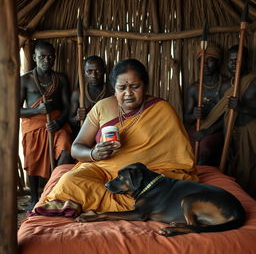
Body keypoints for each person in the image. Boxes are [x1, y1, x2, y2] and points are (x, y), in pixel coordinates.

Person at [31, 59, 198, 218]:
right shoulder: (102, 107)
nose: (128, 93)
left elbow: (179, 162)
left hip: (144, 179)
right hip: (103, 172)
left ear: (145, 86)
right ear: (114, 88)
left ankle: (94, 203)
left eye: (135, 86)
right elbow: (76, 148)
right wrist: (93, 154)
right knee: (69, 180)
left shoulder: (162, 110)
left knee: (156, 191)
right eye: (122, 88)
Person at [20, 41, 72, 210]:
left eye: (50, 57)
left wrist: (59, 121)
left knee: (66, 147)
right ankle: (35, 198)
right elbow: (15, 110)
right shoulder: (25, 80)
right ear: (35, 58)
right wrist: (38, 111)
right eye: (42, 57)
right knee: (32, 157)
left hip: (56, 125)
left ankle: (53, 189)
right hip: (34, 125)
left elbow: (67, 107)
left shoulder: (61, 79)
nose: (46, 60)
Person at [184, 43, 226, 166]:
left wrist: (208, 131)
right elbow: (186, 118)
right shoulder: (194, 89)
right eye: (202, 61)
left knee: (204, 150)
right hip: (198, 128)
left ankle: (203, 180)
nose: (205, 64)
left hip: (217, 129)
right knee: (184, 147)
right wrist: (194, 115)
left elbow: (230, 116)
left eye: (210, 60)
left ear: (218, 62)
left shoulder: (226, 86)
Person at [224, 45, 256, 198]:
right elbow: (222, 115)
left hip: (250, 133)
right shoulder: (227, 85)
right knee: (235, 171)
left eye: (238, 61)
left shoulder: (253, 82)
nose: (233, 64)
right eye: (231, 61)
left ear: (246, 62)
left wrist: (242, 108)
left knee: (249, 172)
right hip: (232, 133)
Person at [69, 56, 109, 138]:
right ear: (84, 72)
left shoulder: (111, 92)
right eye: (89, 71)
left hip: (105, 135)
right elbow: (70, 120)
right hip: (83, 137)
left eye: (97, 71)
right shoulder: (78, 93)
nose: (94, 75)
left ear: (104, 71)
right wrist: (77, 117)